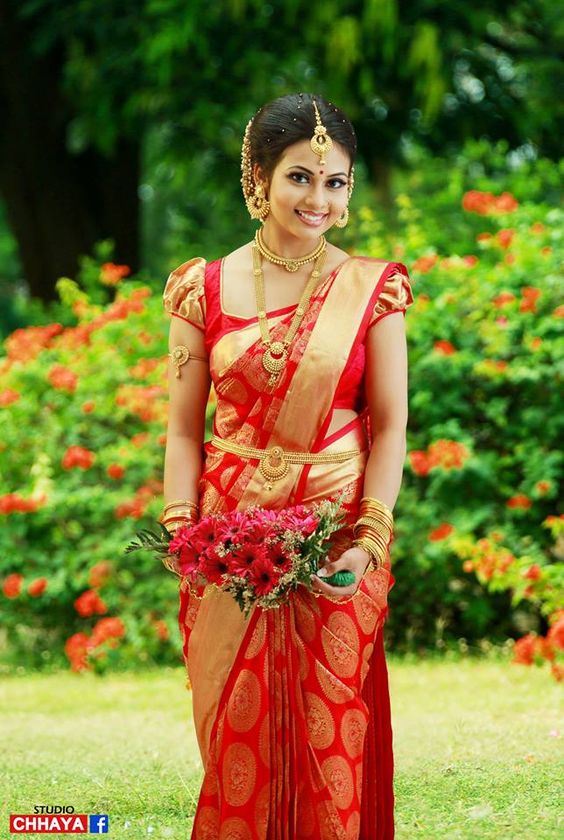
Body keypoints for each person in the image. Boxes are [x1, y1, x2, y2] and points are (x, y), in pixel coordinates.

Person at [161, 92, 414, 840]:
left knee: (328, 727)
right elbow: (183, 430)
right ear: (259, 178)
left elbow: (393, 424)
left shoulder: (374, 290)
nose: (318, 198)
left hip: (335, 535)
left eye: (335, 181)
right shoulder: (201, 289)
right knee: (235, 729)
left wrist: (369, 539)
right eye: (300, 177)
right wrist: (182, 531)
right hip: (227, 539)